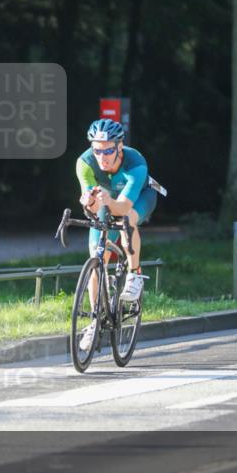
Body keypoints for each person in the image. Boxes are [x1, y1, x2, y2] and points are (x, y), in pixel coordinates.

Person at [75, 118, 158, 350]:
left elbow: (121, 207)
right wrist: (89, 202)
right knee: (96, 256)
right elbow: (91, 206)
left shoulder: (135, 163)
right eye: (97, 150)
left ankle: (134, 274)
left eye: (108, 150)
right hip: (107, 200)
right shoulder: (84, 163)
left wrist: (108, 201)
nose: (102, 156)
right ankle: (95, 319)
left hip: (139, 198)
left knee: (127, 219)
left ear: (119, 147)